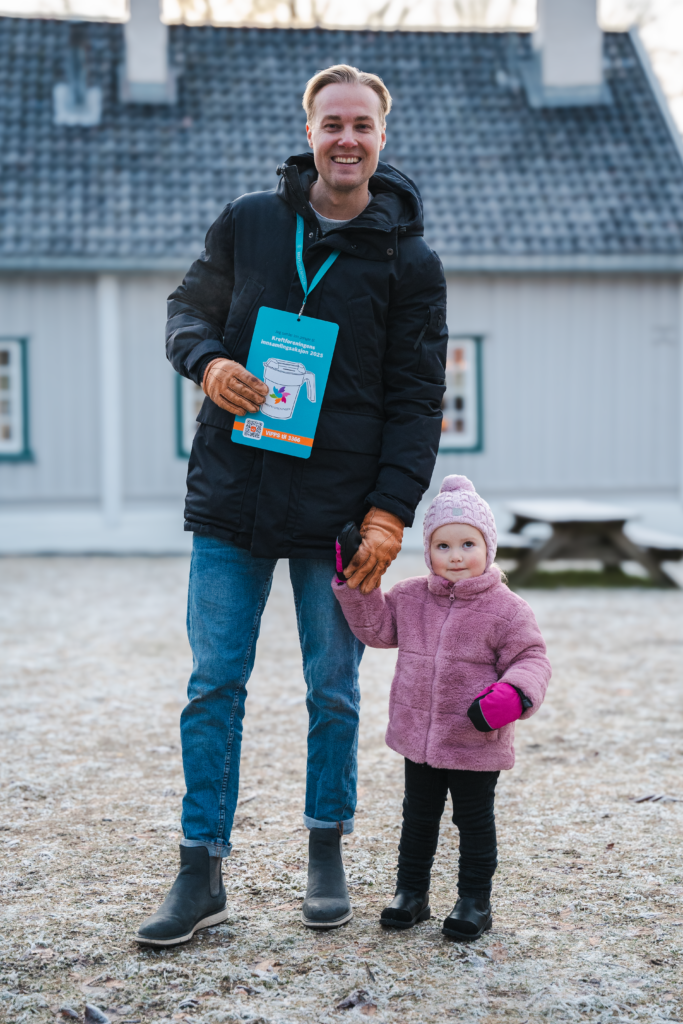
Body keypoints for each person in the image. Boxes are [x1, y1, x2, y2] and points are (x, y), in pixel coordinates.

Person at [135, 64, 448, 946]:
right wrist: (208, 363)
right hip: (232, 495)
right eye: (331, 123)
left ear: (382, 139)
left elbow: (417, 399)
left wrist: (390, 513)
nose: (346, 138)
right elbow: (183, 311)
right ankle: (200, 869)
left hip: (338, 514)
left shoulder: (410, 262)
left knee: (333, 689)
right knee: (213, 684)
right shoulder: (249, 223)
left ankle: (326, 849)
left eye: (362, 125)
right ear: (308, 130)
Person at [332, 475, 551, 940]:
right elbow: (378, 630)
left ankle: (474, 901)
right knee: (418, 818)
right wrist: (355, 578)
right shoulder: (412, 597)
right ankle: (411, 894)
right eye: (443, 545)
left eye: (467, 543)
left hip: (474, 739)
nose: (455, 556)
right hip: (419, 738)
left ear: (488, 548)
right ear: (427, 551)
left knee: (473, 823)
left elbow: (531, 659)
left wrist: (513, 695)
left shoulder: (507, 609)